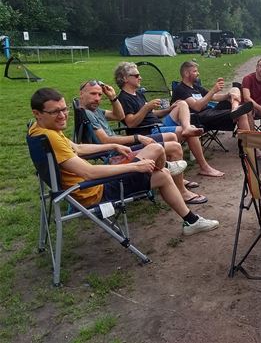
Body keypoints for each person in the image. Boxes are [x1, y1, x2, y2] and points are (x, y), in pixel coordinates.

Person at [29, 88, 219, 236]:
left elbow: (78, 148)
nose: (62, 115)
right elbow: (90, 173)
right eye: (55, 112)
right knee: (160, 168)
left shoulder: (40, 130)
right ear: (37, 113)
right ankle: (190, 217)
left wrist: (111, 147)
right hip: (93, 191)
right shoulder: (51, 137)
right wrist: (137, 166)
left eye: (64, 109)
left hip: (83, 187)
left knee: (157, 154)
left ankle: (189, 215)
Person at [78, 79, 207, 204]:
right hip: (116, 154)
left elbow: (119, 116)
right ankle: (180, 189)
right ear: (81, 94)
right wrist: (137, 138)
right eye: (93, 94)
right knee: (174, 147)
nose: (97, 98)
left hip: (121, 147)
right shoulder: (87, 113)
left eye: (99, 95)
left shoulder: (96, 111)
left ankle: (173, 176)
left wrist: (113, 98)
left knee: (172, 141)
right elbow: (106, 140)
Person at [114, 62, 224, 177]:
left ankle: (186, 129)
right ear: (125, 78)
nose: (140, 77)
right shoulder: (124, 98)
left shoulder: (138, 94)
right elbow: (131, 123)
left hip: (158, 125)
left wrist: (169, 109)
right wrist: (147, 107)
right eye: (136, 76)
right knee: (192, 131)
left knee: (181, 103)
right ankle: (204, 167)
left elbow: (152, 114)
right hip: (148, 132)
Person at [171, 61, 252, 132]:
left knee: (235, 89)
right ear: (186, 73)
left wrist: (228, 95)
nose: (198, 73)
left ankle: (235, 109)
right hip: (198, 119)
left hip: (209, 113)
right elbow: (197, 107)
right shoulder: (181, 89)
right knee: (242, 113)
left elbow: (214, 97)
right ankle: (249, 148)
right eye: (195, 71)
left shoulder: (195, 86)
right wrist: (213, 90)